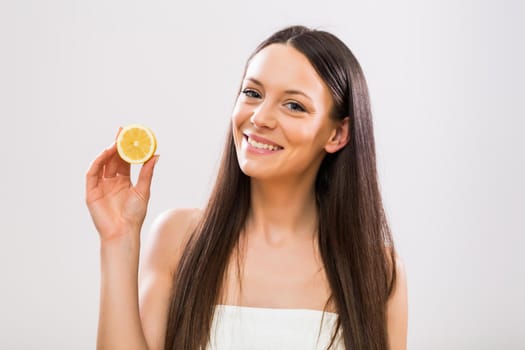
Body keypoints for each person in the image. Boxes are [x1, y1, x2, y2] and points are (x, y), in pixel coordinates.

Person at [85, 25, 408, 350]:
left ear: (337, 134)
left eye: (294, 105)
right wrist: (118, 239)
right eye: (252, 93)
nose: (260, 118)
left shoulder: (378, 270)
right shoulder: (179, 238)